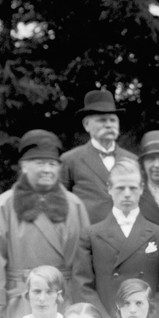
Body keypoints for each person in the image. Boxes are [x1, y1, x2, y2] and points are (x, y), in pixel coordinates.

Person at [0, 130, 90, 318]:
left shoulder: (75, 205)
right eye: (40, 163)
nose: (47, 169)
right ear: (24, 166)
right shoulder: (5, 204)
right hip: (20, 300)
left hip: (64, 301)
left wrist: (85, 298)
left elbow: (86, 257)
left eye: (52, 164)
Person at [74, 158, 159, 318]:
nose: (127, 194)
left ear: (142, 188)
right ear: (109, 188)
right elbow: (82, 286)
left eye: (133, 188)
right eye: (120, 188)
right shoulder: (90, 235)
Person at [60, 89, 137, 223]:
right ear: (86, 125)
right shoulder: (70, 160)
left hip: (126, 232)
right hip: (87, 232)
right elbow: (59, 200)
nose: (109, 125)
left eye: (112, 120)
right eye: (102, 120)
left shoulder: (134, 160)